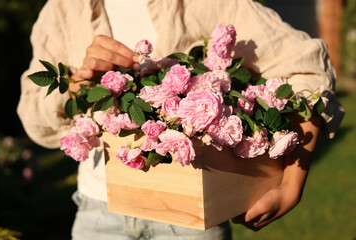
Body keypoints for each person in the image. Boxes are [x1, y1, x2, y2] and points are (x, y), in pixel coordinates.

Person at [17, 0, 345, 239]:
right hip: (99, 215)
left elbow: (307, 68)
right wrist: (76, 85)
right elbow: (35, 121)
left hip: (189, 219)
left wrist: (291, 185)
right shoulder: (63, 11)